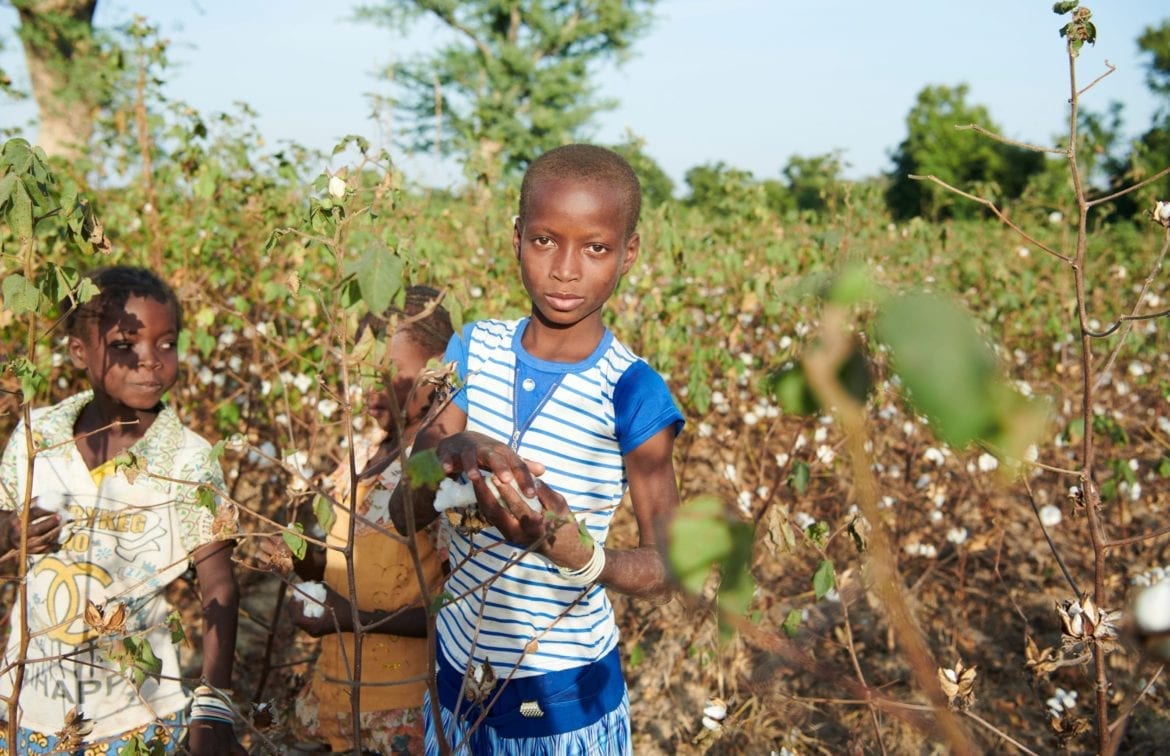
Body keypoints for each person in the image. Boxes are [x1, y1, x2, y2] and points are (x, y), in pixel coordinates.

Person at [390, 144, 685, 754]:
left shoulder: (633, 392)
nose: (566, 269)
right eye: (546, 241)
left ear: (628, 253)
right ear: (517, 237)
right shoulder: (474, 349)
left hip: (562, 700)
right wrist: (452, 451)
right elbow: (403, 513)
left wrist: (577, 554)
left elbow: (669, 567)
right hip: (455, 683)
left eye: (596, 248)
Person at [0, 266, 242, 755]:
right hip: (25, 705)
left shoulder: (189, 458)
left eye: (166, 344)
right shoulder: (37, 438)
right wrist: (10, 531)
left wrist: (211, 708)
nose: (150, 361)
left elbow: (218, 585)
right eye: (125, 345)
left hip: (136, 715)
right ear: (79, 352)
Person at [261, 286, 453, 754]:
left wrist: (352, 619)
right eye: (363, 374)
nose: (367, 392)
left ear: (438, 371)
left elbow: (456, 606)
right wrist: (303, 559)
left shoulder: (433, 467)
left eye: (388, 374)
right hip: (332, 690)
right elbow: (345, 562)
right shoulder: (365, 454)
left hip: (401, 709)